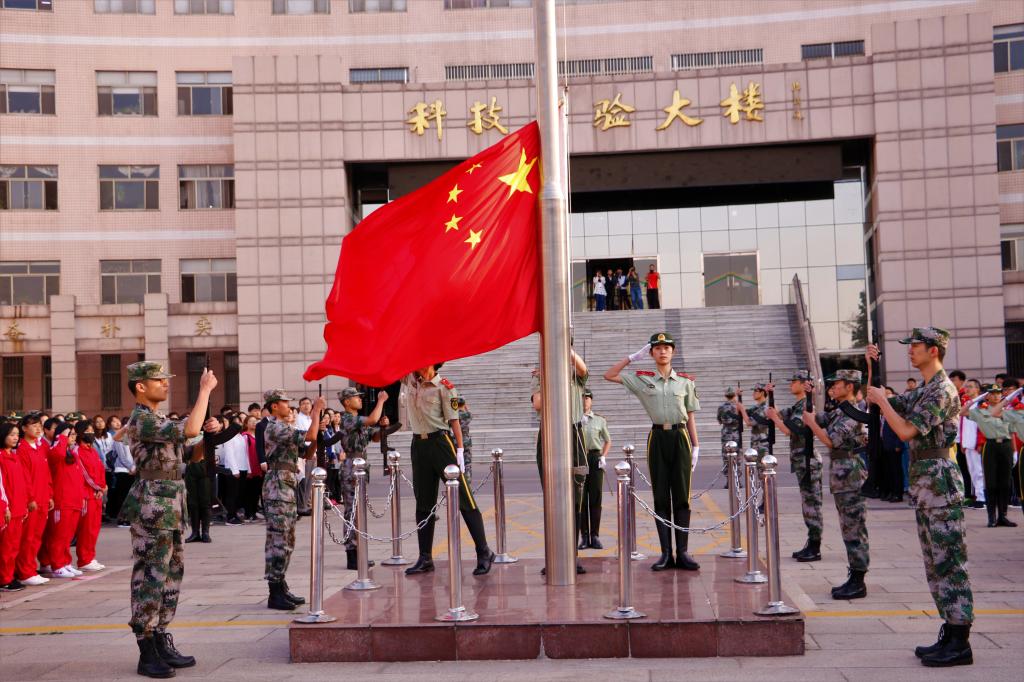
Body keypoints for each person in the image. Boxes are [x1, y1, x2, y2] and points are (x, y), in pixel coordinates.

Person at [865, 327, 975, 668]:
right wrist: (871, 369)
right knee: (934, 563)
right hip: (926, 486)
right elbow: (878, 405)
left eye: (915, 346)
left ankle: (960, 641)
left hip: (940, 484)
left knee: (950, 563)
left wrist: (883, 400)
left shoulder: (941, 390)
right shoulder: (925, 389)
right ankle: (950, 631)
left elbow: (904, 430)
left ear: (933, 350)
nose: (910, 351)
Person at [119, 361, 216, 677]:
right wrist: (204, 391)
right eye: (158, 380)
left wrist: (209, 437)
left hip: (172, 506)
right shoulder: (142, 419)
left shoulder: (158, 420)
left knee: (171, 575)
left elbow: (191, 453)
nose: (165, 384)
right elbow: (189, 429)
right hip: (152, 508)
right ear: (141, 386)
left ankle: (160, 637)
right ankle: (146, 647)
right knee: (151, 575)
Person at [604, 332, 700, 571]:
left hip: (681, 437)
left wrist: (696, 446)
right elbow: (609, 375)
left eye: (667, 348)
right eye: (657, 348)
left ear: (673, 352)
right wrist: (631, 358)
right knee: (660, 496)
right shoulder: (642, 379)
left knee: (682, 496)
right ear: (651, 353)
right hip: (657, 438)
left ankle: (683, 552)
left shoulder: (685, 382)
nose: (663, 351)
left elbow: (690, 415)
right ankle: (666, 553)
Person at [402, 364, 494, 577]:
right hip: (419, 445)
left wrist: (460, 450)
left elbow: (454, 421)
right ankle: (425, 557)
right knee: (423, 503)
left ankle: (484, 552)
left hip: (441, 444)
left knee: (464, 498)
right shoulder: (410, 380)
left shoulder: (445, 388)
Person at [802, 370, 870, 600]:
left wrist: (811, 424)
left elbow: (832, 441)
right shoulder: (841, 410)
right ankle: (855, 575)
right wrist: (810, 397)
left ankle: (858, 580)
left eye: (837, 384)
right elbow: (819, 417)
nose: (833, 387)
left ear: (850, 386)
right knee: (848, 527)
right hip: (842, 474)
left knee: (854, 528)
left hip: (850, 474)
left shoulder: (853, 413)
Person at [261, 389, 323, 610]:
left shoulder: (285, 428)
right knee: (279, 538)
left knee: (287, 538)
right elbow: (309, 436)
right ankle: (275, 591)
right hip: (277, 486)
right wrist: (316, 412)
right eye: (284, 402)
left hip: (286, 484)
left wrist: (318, 433)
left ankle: (281, 585)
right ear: (274, 406)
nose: (289, 406)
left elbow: (307, 452)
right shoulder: (275, 427)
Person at [531, 350, 590, 574]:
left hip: (574, 434)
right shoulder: (540, 377)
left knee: (575, 496)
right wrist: (548, 378)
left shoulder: (576, 377)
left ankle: (572, 555)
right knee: (552, 496)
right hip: (550, 432)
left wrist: (567, 348)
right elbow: (538, 403)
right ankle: (554, 557)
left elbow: (583, 369)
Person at [767, 371, 823, 562]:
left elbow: (791, 430)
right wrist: (770, 396)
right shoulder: (797, 405)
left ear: (803, 384)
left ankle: (815, 546)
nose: (791, 385)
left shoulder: (805, 405)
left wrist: (775, 418)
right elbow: (777, 413)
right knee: (808, 503)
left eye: (794, 382)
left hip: (808, 461)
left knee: (812, 504)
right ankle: (811, 542)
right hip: (801, 460)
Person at [338, 387, 388, 570]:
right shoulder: (347, 419)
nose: (359, 399)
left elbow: (374, 437)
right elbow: (371, 419)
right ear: (347, 402)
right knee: (352, 510)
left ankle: (358, 552)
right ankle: (352, 554)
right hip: (351, 466)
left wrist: (383, 427)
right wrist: (380, 401)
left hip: (360, 464)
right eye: (356, 397)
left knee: (358, 511)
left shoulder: (358, 420)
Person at [968, 385, 1018, 528]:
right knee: (991, 482)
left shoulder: (1007, 411)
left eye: (998, 393)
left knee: (1005, 483)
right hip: (990, 446)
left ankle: (1003, 516)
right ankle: (991, 517)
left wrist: (1014, 452)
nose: (996, 396)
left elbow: (1012, 433)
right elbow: (962, 412)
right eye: (992, 394)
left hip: (1006, 446)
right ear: (987, 396)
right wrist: (976, 399)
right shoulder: (980, 411)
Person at [15, 412, 54, 587]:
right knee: (28, 538)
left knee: (37, 537)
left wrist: (50, 494)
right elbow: (24, 477)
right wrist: (30, 498)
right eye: (34, 425)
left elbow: (46, 474)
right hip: (32, 501)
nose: (38, 429)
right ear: (24, 428)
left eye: (39, 425)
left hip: (43, 498)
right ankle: (25, 572)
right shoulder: (22, 449)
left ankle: (30, 569)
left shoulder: (39, 448)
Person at [73, 420, 108, 572]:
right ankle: (84, 559)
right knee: (86, 529)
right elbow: (85, 473)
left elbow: (100, 469)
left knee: (94, 528)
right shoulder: (77, 451)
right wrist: (98, 487)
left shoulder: (92, 450)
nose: (91, 434)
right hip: (86, 494)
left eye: (92, 431)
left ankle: (90, 556)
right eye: (87, 431)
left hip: (96, 494)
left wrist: (102, 486)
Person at [579, 389, 610, 550]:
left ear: (591, 401)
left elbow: (608, 440)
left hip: (595, 458)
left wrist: (603, 456)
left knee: (596, 497)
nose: (585, 401)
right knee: (582, 498)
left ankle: (595, 535)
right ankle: (584, 536)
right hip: (580, 458)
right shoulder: (574, 420)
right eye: (582, 398)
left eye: (587, 398)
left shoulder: (599, 420)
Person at [0, 423, 29, 592]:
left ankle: (10, 575)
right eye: (11, 434)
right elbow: (2, 486)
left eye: (17, 435)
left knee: (14, 546)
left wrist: (24, 505)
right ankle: (4, 579)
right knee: (6, 547)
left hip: (19, 508)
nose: (15, 438)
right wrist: (6, 507)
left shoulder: (15, 456)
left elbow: (21, 483)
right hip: (8, 509)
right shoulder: (1, 457)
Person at [716, 387, 745, 479]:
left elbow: (719, 421)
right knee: (737, 457)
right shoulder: (738, 406)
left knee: (726, 457)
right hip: (736, 434)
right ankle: (737, 480)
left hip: (726, 434)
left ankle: (728, 480)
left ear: (725, 395)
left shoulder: (721, 407)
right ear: (734, 395)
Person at [743, 383, 772, 460]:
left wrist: (741, 409)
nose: (753, 393)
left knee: (762, 466)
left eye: (755, 391)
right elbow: (743, 413)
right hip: (755, 443)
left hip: (762, 444)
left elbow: (750, 422)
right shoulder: (756, 407)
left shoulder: (765, 408)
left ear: (762, 393)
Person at [456, 398, 473, 483]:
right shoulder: (468, 415)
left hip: (457, 442)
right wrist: (465, 407)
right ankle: (468, 482)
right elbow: (469, 412)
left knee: (457, 463)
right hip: (466, 442)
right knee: (467, 464)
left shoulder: (455, 416)